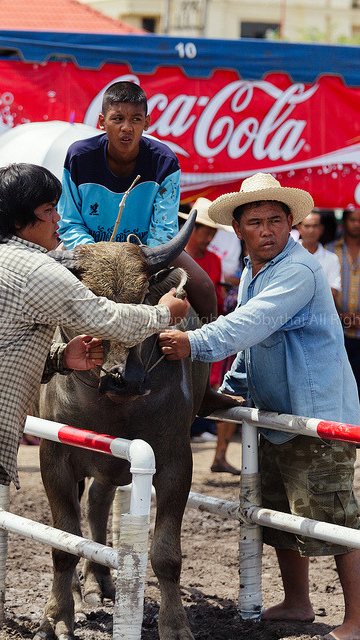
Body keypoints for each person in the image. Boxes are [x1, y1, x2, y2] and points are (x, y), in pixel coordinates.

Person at [0, 163, 189, 640]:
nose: (58, 219)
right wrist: (165, 311)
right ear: (20, 220)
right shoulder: (36, 268)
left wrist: (58, 357)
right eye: (49, 210)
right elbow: (110, 319)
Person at [159, 172, 360, 640]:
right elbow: (254, 347)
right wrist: (225, 388)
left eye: (276, 220)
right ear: (239, 229)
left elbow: (249, 325)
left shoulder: (297, 269)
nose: (267, 230)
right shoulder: (255, 270)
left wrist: (193, 341)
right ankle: (297, 603)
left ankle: (357, 620)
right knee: (283, 512)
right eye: (256, 222)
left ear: (292, 223)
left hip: (317, 415)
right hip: (281, 412)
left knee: (336, 521)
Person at [57, 79, 218, 325]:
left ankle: (207, 350)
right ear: (102, 121)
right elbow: (69, 221)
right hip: (89, 251)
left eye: (135, 119)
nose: (126, 127)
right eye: (117, 118)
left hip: (146, 254)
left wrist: (140, 260)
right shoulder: (79, 156)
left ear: (147, 122)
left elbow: (164, 229)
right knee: (41, 285)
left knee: (205, 288)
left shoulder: (165, 161)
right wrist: (98, 255)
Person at [180, 198, 240, 474]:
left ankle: (219, 455)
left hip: (205, 332)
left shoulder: (214, 260)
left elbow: (214, 297)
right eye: (205, 229)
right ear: (191, 227)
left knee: (218, 390)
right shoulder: (175, 254)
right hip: (177, 331)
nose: (209, 235)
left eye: (212, 230)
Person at [327, 207, 360, 397]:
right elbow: (324, 288)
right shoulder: (329, 251)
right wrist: (339, 315)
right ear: (344, 222)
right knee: (339, 387)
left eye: (359, 220)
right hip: (337, 330)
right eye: (352, 220)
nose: (356, 224)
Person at [297, 210, 341, 300]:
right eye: (307, 226)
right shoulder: (287, 254)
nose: (311, 230)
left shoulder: (332, 258)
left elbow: (333, 292)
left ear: (321, 229)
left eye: (315, 226)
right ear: (299, 228)